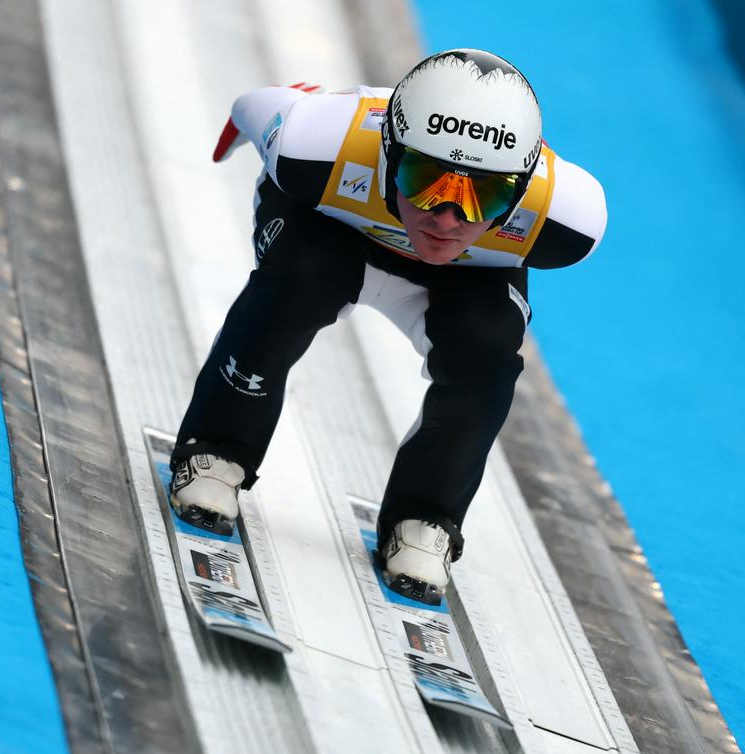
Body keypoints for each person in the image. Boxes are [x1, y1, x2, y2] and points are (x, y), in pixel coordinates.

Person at [169, 49, 607, 601]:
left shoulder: (568, 219)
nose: (446, 217)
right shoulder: (314, 144)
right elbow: (253, 107)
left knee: (488, 348)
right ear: (388, 151)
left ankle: (427, 517)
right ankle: (216, 449)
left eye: (484, 195)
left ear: (519, 191)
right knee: (297, 279)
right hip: (329, 237)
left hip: (460, 280)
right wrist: (271, 115)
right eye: (427, 179)